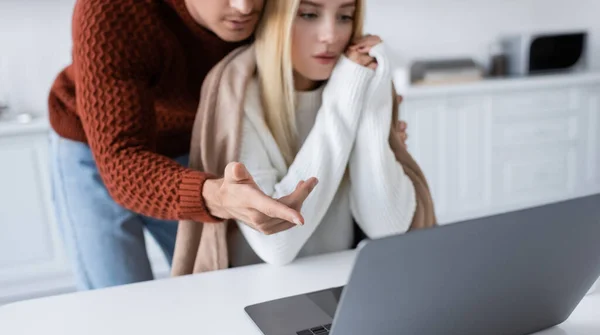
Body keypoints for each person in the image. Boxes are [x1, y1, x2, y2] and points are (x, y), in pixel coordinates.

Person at [48, 0, 410, 289]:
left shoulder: (269, 16)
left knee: (205, 277)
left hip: (196, 141)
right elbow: (122, 160)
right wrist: (215, 196)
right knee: (118, 294)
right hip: (96, 150)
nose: (243, 7)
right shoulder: (112, 10)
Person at [172, 0, 435, 273]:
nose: (331, 35)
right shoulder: (239, 96)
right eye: (309, 14)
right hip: (257, 289)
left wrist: (369, 94)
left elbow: (388, 228)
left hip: (339, 279)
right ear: (276, 17)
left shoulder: (355, 78)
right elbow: (277, 246)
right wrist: (343, 101)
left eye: (345, 16)